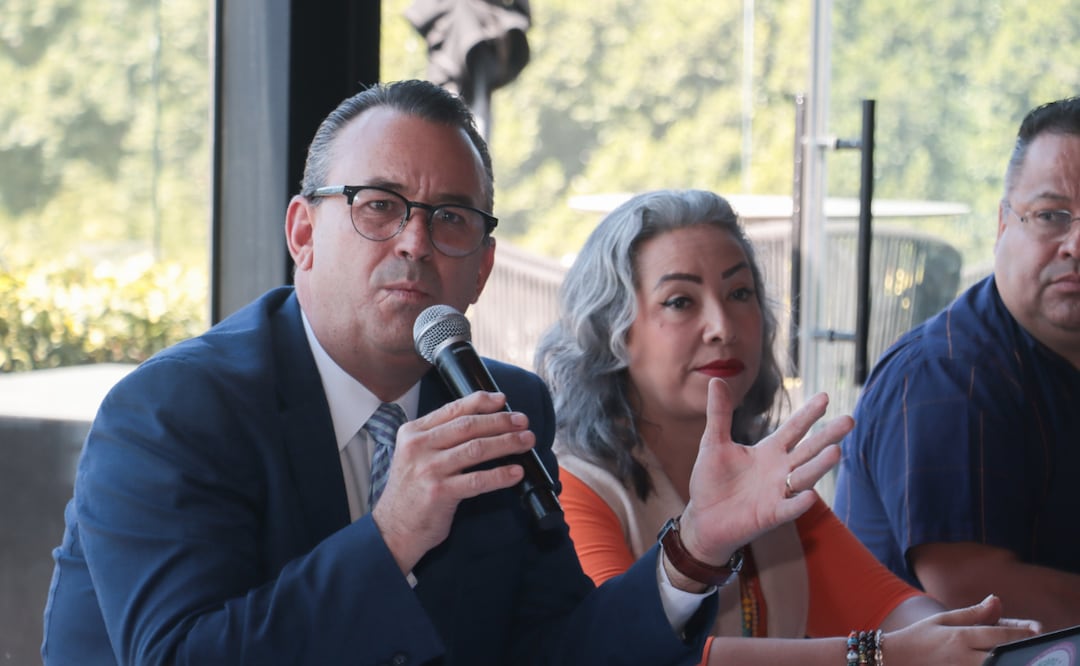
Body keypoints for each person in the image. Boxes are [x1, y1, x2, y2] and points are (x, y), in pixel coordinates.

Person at [40, 80, 848, 666]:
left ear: (485, 265)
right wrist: (392, 535)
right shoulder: (172, 413)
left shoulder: (499, 403)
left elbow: (558, 651)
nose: (416, 244)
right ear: (302, 232)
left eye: (450, 218)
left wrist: (696, 546)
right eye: (378, 205)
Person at [534, 188, 1042, 666]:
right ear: (610, 330)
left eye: (740, 293)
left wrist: (976, 639)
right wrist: (881, 656)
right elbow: (634, 650)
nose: (723, 326)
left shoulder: (768, 475)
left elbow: (889, 608)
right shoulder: (573, 488)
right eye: (681, 301)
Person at [834, 97, 1080, 632]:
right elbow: (977, 592)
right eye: (1051, 217)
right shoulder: (947, 374)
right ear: (1002, 223)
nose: (1076, 245)